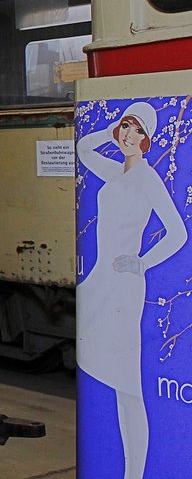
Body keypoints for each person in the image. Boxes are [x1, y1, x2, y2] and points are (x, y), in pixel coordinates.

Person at [77, 101, 187, 479]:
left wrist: (142, 262)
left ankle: (134, 474)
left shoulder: (146, 178)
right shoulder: (117, 173)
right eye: (126, 126)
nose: (128, 134)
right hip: (100, 281)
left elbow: (178, 232)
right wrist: (109, 124)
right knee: (101, 368)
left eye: (138, 130)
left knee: (127, 384)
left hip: (124, 286)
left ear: (147, 140)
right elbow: (83, 149)